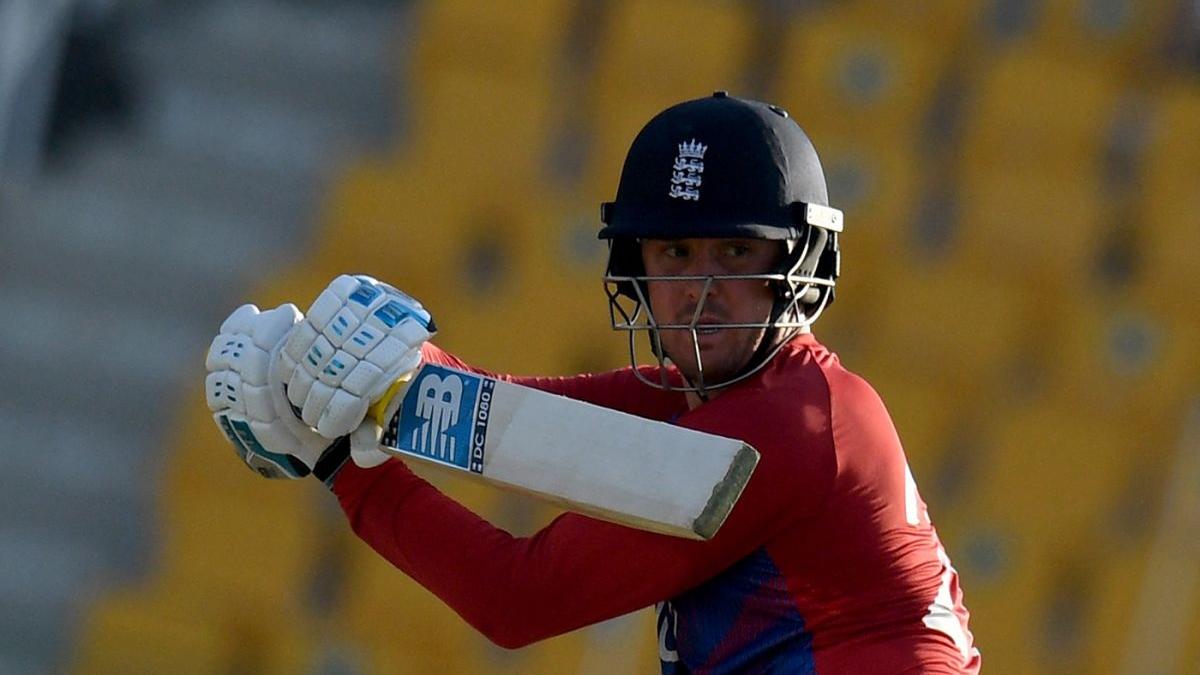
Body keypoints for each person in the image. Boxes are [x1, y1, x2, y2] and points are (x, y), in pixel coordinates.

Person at [205, 92, 981, 673]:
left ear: (798, 270)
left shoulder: (794, 426)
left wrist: (344, 465)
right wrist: (377, 372)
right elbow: (506, 420)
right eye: (675, 256)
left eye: (734, 253)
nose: (700, 289)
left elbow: (517, 598)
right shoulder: (723, 400)